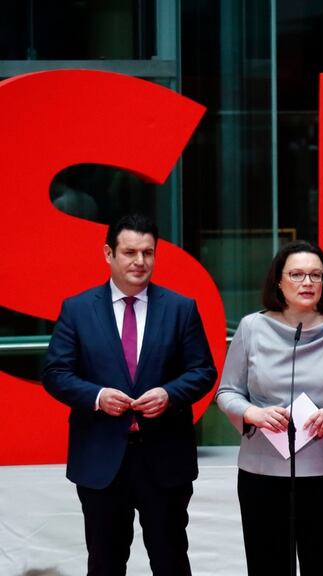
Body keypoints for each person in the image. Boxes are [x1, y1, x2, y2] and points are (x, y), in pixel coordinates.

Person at [42, 214, 217, 576]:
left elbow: (203, 372)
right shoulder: (77, 309)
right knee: (105, 564)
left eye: (148, 252)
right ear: (108, 253)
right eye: (130, 252)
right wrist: (97, 395)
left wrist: (169, 394)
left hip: (164, 459)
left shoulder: (181, 308)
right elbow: (55, 373)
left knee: (170, 561)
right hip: (101, 460)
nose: (140, 262)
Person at [215, 240, 323, 576]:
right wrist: (252, 414)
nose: (307, 283)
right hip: (263, 473)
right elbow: (228, 392)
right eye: (297, 275)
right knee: (267, 566)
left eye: (315, 276)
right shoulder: (252, 327)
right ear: (279, 280)